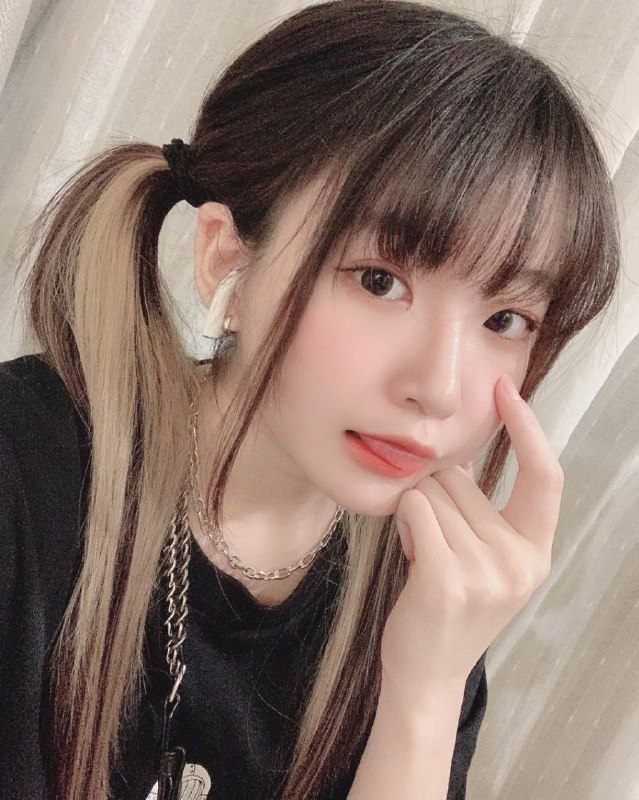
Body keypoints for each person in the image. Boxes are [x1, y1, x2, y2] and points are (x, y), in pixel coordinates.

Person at [0, 1, 621, 798]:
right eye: (379, 281)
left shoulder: (427, 597)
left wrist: (426, 692)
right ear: (225, 256)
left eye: (505, 320)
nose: (437, 387)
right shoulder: (25, 473)